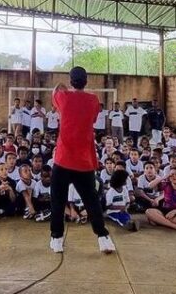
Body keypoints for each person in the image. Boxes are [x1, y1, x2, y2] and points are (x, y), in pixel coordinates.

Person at [49, 66, 115, 254]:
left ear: (71, 81)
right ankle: (103, 238)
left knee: (58, 201)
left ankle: (57, 239)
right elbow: (93, 119)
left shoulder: (63, 97)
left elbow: (55, 94)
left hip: (63, 159)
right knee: (92, 201)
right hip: (84, 160)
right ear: (86, 81)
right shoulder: (93, 100)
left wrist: (61, 87)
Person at [144, 166, 176, 231]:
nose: (174, 176)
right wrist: (163, 177)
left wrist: (174, 211)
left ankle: (160, 221)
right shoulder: (166, 185)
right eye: (171, 175)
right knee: (148, 211)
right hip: (164, 211)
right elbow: (150, 186)